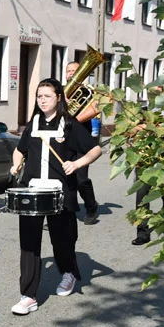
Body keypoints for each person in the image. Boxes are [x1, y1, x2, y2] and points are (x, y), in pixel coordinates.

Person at [8, 78, 102, 315]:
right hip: (33, 190)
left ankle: (68, 273)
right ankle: (28, 296)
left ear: (59, 98)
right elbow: (20, 150)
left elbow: (95, 148)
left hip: (60, 192)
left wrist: (77, 163)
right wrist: (16, 165)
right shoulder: (34, 123)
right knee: (28, 244)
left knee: (62, 240)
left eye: (47, 96)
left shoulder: (69, 124)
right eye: (39, 96)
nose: (42, 100)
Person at [65, 61, 99, 225]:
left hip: (82, 139)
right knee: (61, 178)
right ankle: (61, 213)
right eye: (68, 71)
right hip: (63, 139)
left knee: (80, 178)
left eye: (74, 71)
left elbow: (96, 108)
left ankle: (91, 206)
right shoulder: (60, 92)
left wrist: (74, 121)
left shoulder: (87, 91)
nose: (71, 74)